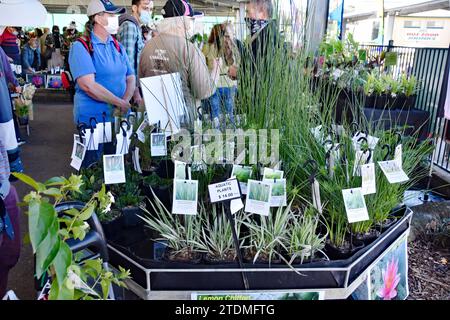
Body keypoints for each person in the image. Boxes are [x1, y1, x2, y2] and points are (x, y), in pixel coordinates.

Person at [139, 0, 219, 123]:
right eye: (191, 20)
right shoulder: (189, 49)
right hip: (182, 122)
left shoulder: (148, 46)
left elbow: (141, 82)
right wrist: (216, 70)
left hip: (152, 121)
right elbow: (203, 91)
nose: (191, 25)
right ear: (182, 22)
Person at [69, 0, 134, 125]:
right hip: (94, 119)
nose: (116, 19)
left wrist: (125, 102)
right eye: (111, 15)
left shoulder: (117, 46)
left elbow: (130, 77)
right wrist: (119, 103)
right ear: (98, 18)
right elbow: (88, 86)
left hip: (120, 116)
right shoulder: (81, 47)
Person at [202, 23, 239, 128]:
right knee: (229, 115)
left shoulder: (207, 47)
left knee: (215, 116)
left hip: (215, 85)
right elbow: (238, 65)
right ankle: (230, 138)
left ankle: (216, 137)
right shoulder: (233, 46)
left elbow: (202, 65)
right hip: (230, 84)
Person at [117, 0, 152, 109]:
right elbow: (128, 62)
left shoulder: (137, 27)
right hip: (130, 90)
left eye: (151, 9)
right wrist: (135, 91)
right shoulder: (130, 26)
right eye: (146, 8)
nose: (149, 12)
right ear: (135, 8)